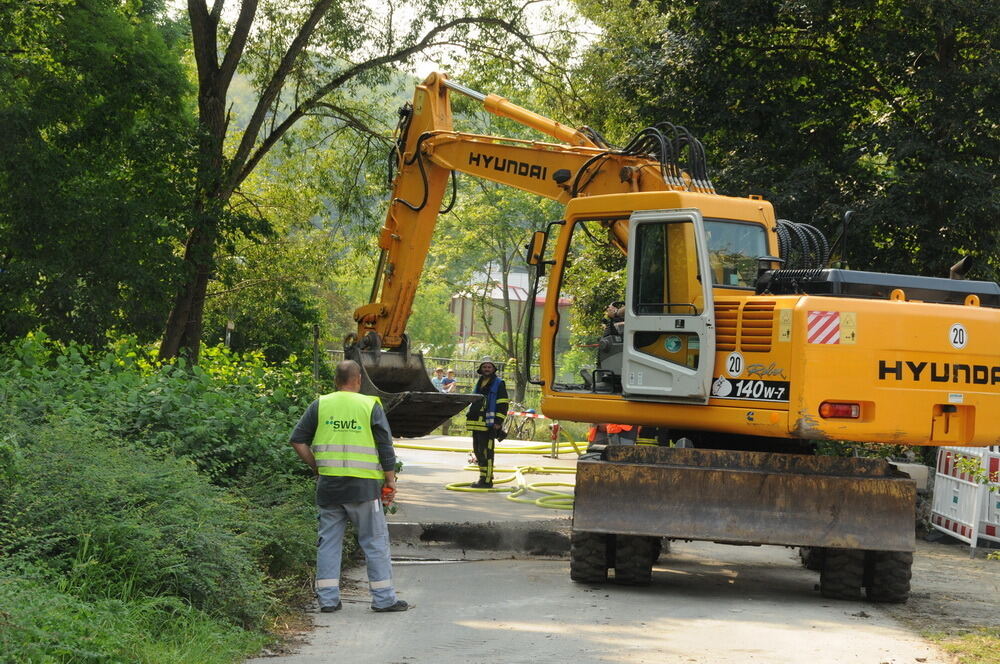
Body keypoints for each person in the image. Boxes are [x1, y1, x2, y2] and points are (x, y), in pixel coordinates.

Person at [289, 360, 409, 613]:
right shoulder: (369, 405)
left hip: (330, 486)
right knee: (374, 542)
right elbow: (384, 446)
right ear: (358, 380)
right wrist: (389, 480)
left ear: (336, 380)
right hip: (364, 489)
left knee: (329, 542)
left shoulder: (321, 404)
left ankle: (328, 600)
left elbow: (297, 440)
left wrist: (317, 467)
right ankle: (384, 599)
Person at [465, 357, 509, 488]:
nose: (487, 369)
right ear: (481, 369)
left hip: (489, 424)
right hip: (477, 424)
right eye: (484, 367)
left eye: (489, 367)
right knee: (478, 452)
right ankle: (482, 477)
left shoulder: (499, 383)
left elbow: (503, 403)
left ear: (493, 369)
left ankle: (487, 480)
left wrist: (498, 421)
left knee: (486, 453)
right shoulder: (479, 382)